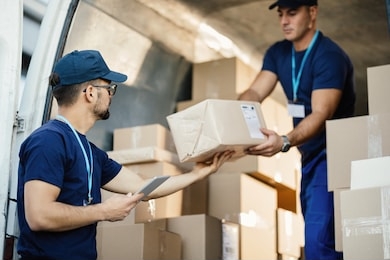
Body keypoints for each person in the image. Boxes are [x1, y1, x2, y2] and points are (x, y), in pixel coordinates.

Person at [17, 49, 234, 260]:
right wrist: (103, 211)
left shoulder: (90, 152)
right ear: (91, 93)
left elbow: (143, 186)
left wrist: (198, 173)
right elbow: (39, 215)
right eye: (109, 87)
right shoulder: (48, 141)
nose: (112, 95)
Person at [238, 0, 355, 259]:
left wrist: (284, 141)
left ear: (312, 13)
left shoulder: (329, 56)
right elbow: (255, 91)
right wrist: (231, 120)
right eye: (281, 15)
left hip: (335, 155)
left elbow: (321, 113)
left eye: (292, 13)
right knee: (316, 234)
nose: (284, 21)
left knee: (320, 240)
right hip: (309, 157)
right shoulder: (278, 53)